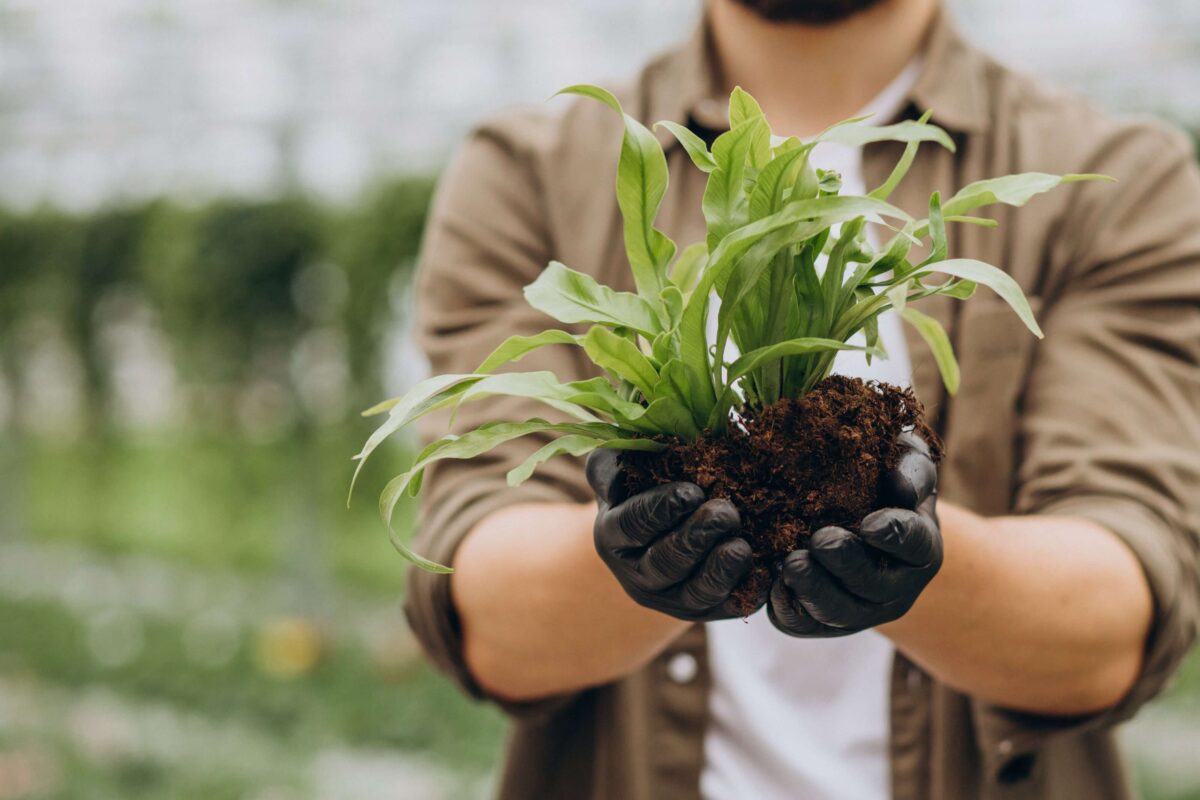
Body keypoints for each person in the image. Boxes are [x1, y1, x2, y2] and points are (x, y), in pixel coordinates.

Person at [403, 1, 1200, 798]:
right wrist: (643, 544)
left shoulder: (1117, 176)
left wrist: (905, 546)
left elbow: (1115, 620)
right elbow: (488, 617)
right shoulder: (532, 168)